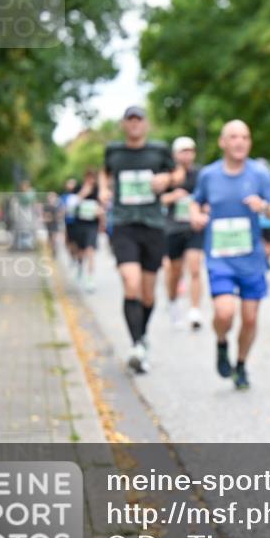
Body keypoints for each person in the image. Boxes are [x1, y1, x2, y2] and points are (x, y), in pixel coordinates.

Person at [189, 120, 270, 389]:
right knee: (224, 313)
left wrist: (264, 206)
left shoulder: (259, 174)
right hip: (220, 257)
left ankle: (242, 365)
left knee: (250, 318)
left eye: (245, 137)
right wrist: (195, 216)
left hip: (251, 259)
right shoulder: (209, 175)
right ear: (223, 142)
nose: (240, 142)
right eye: (233, 137)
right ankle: (222, 343)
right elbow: (195, 201)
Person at [99, 106, 183, 374]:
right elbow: (105, 172)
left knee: (148, 293)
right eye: (130, 120)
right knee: (130, 283)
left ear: (146, 124)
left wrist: (167, 178)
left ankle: (142, 335)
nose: (135, 124)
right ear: (124, 124)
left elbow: (179, 174)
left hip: (153, 226)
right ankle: (136, 344)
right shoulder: (114, 151)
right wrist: (103, 189)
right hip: (124, 224)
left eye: (139, 120)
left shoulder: (159, 151)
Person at [161, 136, 205, 330]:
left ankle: (194, 310)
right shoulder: (168, 175)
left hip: (194, 227)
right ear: (175, 154)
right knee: (175, 272)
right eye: (183, 151)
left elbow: (207, 198)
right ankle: (173, 302)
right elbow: (157, 199)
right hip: (173, 228)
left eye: (190, 151)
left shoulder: (201, 175)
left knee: (195, 268)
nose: (187, 155)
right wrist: (173, 196)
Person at [74, 170, 102, 293]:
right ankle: (80, 266)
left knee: (90, 251)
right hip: (80, 224)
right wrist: (83, 193)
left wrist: (101, 216)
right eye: (89, 178)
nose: (91, 181)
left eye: (93, 178)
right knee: (81, 251)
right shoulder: (79, 188)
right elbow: (73, 204)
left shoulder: (98, 191)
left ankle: (90, 278)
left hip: (92, 225)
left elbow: (102, 206)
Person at [60, 178, 81, 272]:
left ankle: (79, 258)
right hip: (68, 223)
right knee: (68, 242)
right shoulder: (64, 197)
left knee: (77, 242)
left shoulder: (79, 195)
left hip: (78, 222)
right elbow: (61, 209)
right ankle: (73, 257)